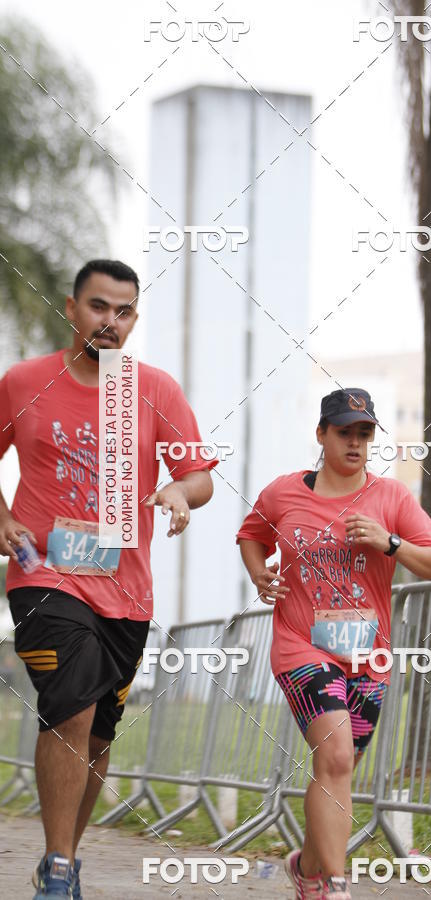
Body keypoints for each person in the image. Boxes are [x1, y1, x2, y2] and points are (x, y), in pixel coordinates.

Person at [0, 260, 217, 898]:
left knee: (97, 730)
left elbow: (200, 474)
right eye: (98, 307)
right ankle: (60, 868)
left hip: (124, 587)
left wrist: (179, 490)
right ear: (71, 309)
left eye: (123, 312)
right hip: (44, 576)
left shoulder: (153, 390)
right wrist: (4, 516)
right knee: (70, 706)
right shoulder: (23, 382)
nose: (110, 322)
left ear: (134, 319)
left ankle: (63, 855)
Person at [236, 388, 431, 899]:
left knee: (340, 767)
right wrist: (258, 575)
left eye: (364, 433)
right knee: (334, 758)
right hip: (301, 646)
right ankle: (332, 885)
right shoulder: (283, 493)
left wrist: (388, 542)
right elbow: (251, 534)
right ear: (321, 434)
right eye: (344, 432)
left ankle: (305, 865)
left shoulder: (391, 498)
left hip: (367, 656)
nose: (355, 443)